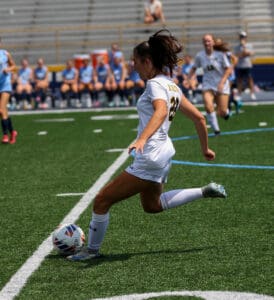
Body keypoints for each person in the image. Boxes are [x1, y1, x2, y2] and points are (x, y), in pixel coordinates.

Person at [67, 29, 227, 262]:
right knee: (152, 205)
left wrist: (142, 138)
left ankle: (90, 251)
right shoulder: (172, 86)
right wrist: (205, 149)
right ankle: (204, 191)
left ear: (147, 61)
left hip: (151, 155)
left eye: (135, 61)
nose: (133, 66)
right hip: (164, 154)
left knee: (101, 200)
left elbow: (161, 111)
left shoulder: (154, 85)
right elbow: (200, 119)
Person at [188, 34, 232, 135]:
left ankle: (226, 112)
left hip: (221, 85)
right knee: (208, 106)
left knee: (222, 112)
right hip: (208, 85)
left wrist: (222, 82)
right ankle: (216, 130)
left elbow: (228, 69)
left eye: (209, 41)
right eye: (205, 41)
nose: (207, 43)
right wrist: (189, 79)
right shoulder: (200, 55)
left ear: (213, 42)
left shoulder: (220, 55)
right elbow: (194, 68)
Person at [214, 37, 242, 114]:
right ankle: (235, 102)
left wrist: (231, 67)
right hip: (220, 75)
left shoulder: (226, 52)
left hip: (228, 75)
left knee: (226, 92)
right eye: (216, 42)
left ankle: (228, 108)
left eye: (219, 42)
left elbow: (235, 59)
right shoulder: (214, 53)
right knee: (222, 92)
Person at [0, 38, 18, 144]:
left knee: (1, 109)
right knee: (3, 112)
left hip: (5, 84)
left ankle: (5, 135)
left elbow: (13, 65)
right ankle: (13, 132)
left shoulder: (5, 53)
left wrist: (9, 69)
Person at [234, 31, 256, 100]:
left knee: (250, 79)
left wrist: (244, 47)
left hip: (247, 65)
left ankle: (252, 93)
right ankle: (239, 94)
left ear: (246, 38)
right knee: (239, 80)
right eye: (241, 37)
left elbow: (249, 53)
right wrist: (243, 54)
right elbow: (237, 55)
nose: (242, 38)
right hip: (240, 65)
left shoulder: (249, 45)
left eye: (243, 37)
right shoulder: (237, 47)